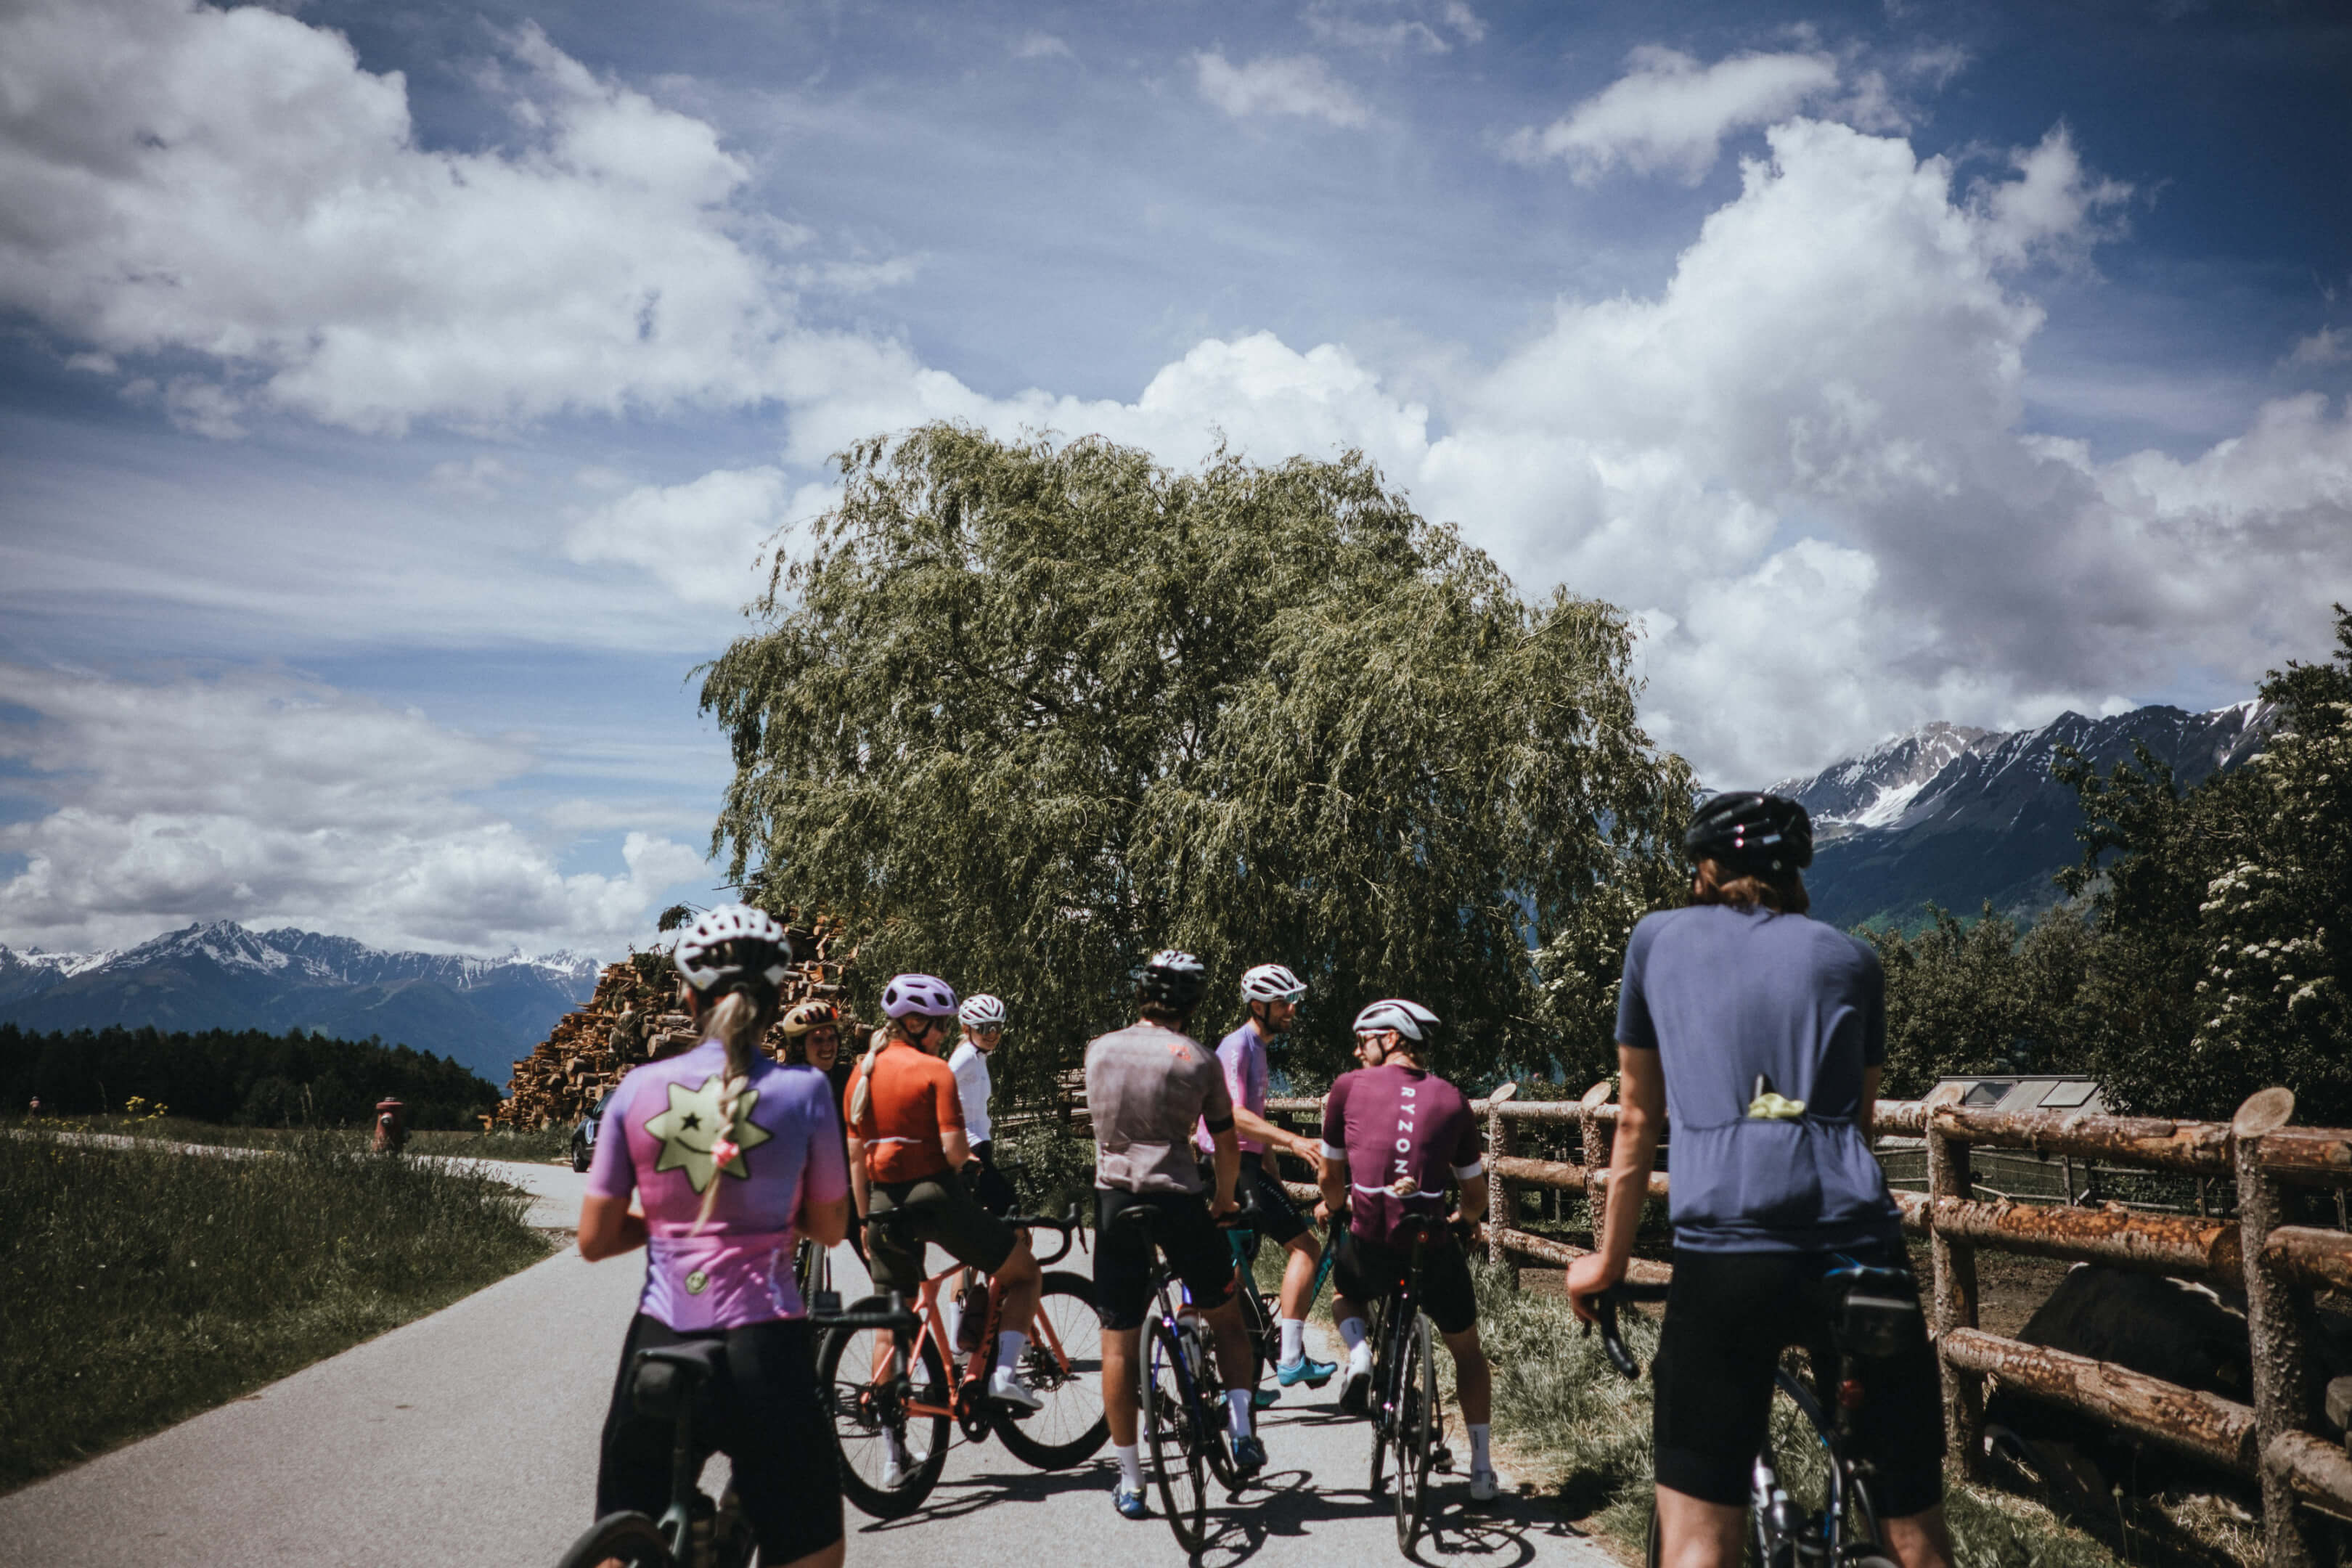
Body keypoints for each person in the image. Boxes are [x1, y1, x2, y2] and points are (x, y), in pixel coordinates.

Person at [1566, 792, 1953, 1568]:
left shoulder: (1657, 941)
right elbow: (1858, 1124)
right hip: (1861, 1249)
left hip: (1730, 1254)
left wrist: (1606, 1263)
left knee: (1701, 1544)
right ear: (1797, 872)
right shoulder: (1855, 960)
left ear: (1706, 869)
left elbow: (1639, 1119)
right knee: (1917, 1534)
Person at [576, 905, 852, 1568]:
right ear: (775, 1000)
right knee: (814, 1550)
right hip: (767, 1344)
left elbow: (594, 1238)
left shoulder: (636, 1089)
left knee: (621, 1535)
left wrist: (670, 1225)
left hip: (662, 1337)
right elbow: (831, 1228)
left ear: (688, 996)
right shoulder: (806, 1091)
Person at [1088, 949, 1265, 1519]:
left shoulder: (1100, 1049)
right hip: (1178, 1198)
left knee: (1118, 1339)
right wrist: (1223, 1199)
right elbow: (1227, 1142)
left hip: (1115, 1199)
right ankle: (1240, 1429)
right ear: (1192, 1003)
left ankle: (1133, 1480)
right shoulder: (1200, 1059)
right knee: (1225, 1313)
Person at [843, 973, 1045, 1429]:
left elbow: (856, 1158)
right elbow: (955, 1152)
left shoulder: (861, 1073)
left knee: (892, 1320)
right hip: (934, 1198)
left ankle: (893, 1440)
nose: (942, 1033)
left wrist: (862, 1220)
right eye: (937, 1024)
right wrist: (970, 1166)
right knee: (1024, 1272)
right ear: (913, 1022)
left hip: (878, 1206)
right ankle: (1004, 1374)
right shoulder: (936, 1070)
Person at [1319, 997, 1500, 1502]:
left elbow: (1331, 1178)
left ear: (1392, 1038)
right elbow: (1476, 1196)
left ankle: (1359, 1355)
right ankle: (1482, 1469)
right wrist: (1464, 1222)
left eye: (1363, 1041)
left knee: (1343, 1291)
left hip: (1372, 1244)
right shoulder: (1452, 1098)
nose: (1357, 1053)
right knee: (1467, 1350)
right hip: (1430, 1243)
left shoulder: (1346, 1089)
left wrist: (1338, 1211)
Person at [1196, 962, 1335, 1401]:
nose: (1292, 1008)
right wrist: (1293, 1140)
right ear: (1258, 1005)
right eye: (1283, 1002)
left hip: (1240, 1165)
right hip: (1231, 1166)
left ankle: (1243, 1380)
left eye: (1292, 1000)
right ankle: (1292, 1357)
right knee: (1306, 1248)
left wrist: (1272, 1162)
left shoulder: (1256, 1046)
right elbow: (1234, 1116)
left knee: (1237, 1274)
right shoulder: (1238, 1047)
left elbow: (1253, 1117)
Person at [950, 994, 1018, 1217]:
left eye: (997, 1028)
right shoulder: (966, 1056)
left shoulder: (979, 1056)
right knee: (1006, 1204)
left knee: (989, 1210)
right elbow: (939, 1089)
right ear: (966, 1028)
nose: (992, 1034)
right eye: (984, 1027)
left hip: (980, 1141)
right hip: (969, 1145)